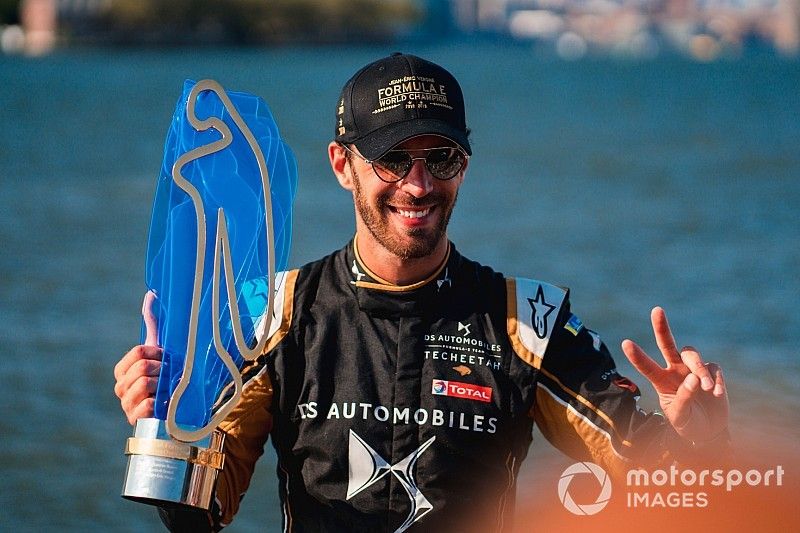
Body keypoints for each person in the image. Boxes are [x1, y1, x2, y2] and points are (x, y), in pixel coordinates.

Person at [114, 53, 730, 532]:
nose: (418, 184)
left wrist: (704, 443)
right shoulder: (276, 314)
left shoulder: (525, 322)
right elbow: (199, 514)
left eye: (442, 157)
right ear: (341, 164)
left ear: (465, 163)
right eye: (391, 159)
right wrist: (162, 426)